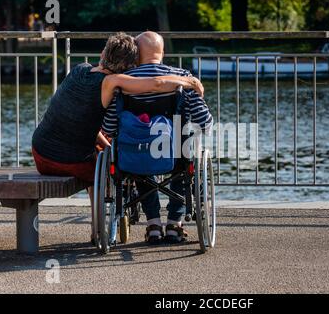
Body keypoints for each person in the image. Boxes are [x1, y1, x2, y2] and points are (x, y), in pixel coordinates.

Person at [31, 32, 204, 238]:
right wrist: (189, 80)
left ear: (103, 52)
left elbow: (84, 124)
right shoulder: (113, 82)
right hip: (70, 161)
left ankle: (145, 222)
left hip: (40, 154)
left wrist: (108, 147)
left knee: (105, 155)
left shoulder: (80, 70)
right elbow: (156, 83)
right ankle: (98, 230)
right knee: (103, 175)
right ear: (131, 65)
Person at [102, 31, 213, 245]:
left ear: (136, 54)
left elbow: (109, 126)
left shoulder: (125, 81)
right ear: (162, 52)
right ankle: (174, 225)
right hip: (174, 151)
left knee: (139, 154)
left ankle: (153, 224)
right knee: (184, 151)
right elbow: (204, 122)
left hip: (135, 153)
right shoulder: (182, 77)